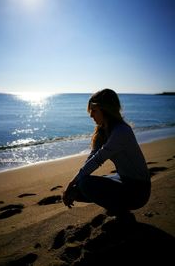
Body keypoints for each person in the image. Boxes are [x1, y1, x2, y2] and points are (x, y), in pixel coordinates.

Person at [63, 88, 151, 222]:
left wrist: (71, 183)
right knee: (81, 185)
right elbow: (91, 158)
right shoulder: (104, 130)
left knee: (85, 184)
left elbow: (98, 159)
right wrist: (75, 184)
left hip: (139, 191)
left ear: (106, 110)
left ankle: (122, 213)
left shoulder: (121, 131)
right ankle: (118, 208)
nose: (91, 115)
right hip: (124, 180)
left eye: (94, 110)